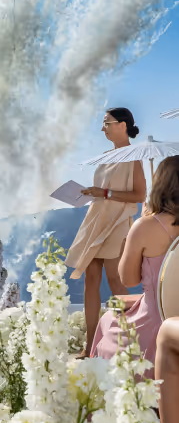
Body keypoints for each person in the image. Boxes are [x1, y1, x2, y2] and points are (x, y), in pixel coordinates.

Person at [66, 108, 146, 355]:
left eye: (107, 123)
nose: (103, 128)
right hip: (96, 219)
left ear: (122, 125)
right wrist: (90, 193)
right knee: (91, 280)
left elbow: (140, 195)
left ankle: (129, 344)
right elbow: (102, 191)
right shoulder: (103, 157)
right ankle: (89, 345)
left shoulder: (134, 156)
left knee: (115, 281)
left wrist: (105, 193)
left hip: (118, 222)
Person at [91, 155, 179, 371]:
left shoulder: (145, 227)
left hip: (154, 323)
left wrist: (131, 235)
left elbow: (128, 280)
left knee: (109, 319)